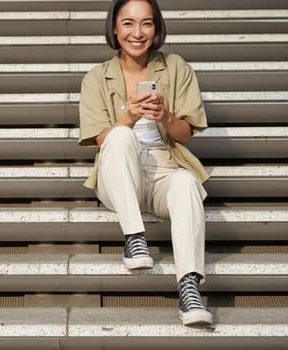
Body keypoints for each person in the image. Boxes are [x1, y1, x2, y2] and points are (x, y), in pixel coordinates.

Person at [78, 0, 213, 326]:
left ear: (156, 28)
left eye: (146, 23)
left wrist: (164, 115)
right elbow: (101, 140)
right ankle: (135, 239)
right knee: (122, 137)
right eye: (128, 23)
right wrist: (130, 116)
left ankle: (189, 288)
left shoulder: (176, 66)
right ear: (114, 27)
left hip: (164, 169)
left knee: (186, 183)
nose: (137, 33)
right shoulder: (97, 77)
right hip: (118, 176)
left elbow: (186, 134)